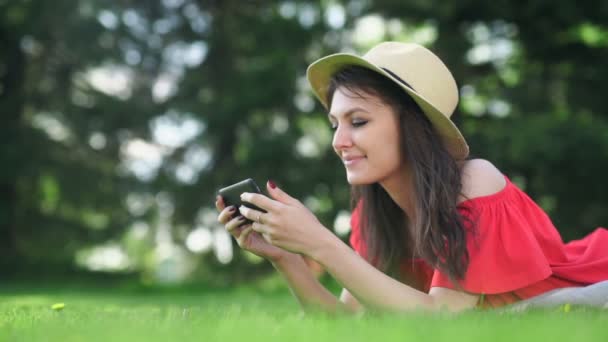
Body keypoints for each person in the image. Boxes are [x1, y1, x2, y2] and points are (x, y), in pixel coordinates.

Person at [215, 42, 608, 312]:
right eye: (335, 124)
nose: (339, 141)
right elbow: (347, 323)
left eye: (359, 121)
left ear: (413, 127)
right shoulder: (373, 211)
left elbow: (440, 320)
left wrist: (320, 242)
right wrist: (286, 259)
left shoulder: (474, 182)